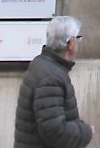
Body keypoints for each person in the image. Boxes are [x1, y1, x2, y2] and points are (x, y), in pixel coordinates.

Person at [14, 15, 94, 148]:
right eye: (78, 38)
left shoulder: (44, 65)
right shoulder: (51, 76)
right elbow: (54, 131)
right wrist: (86, 132)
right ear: (71, 43)